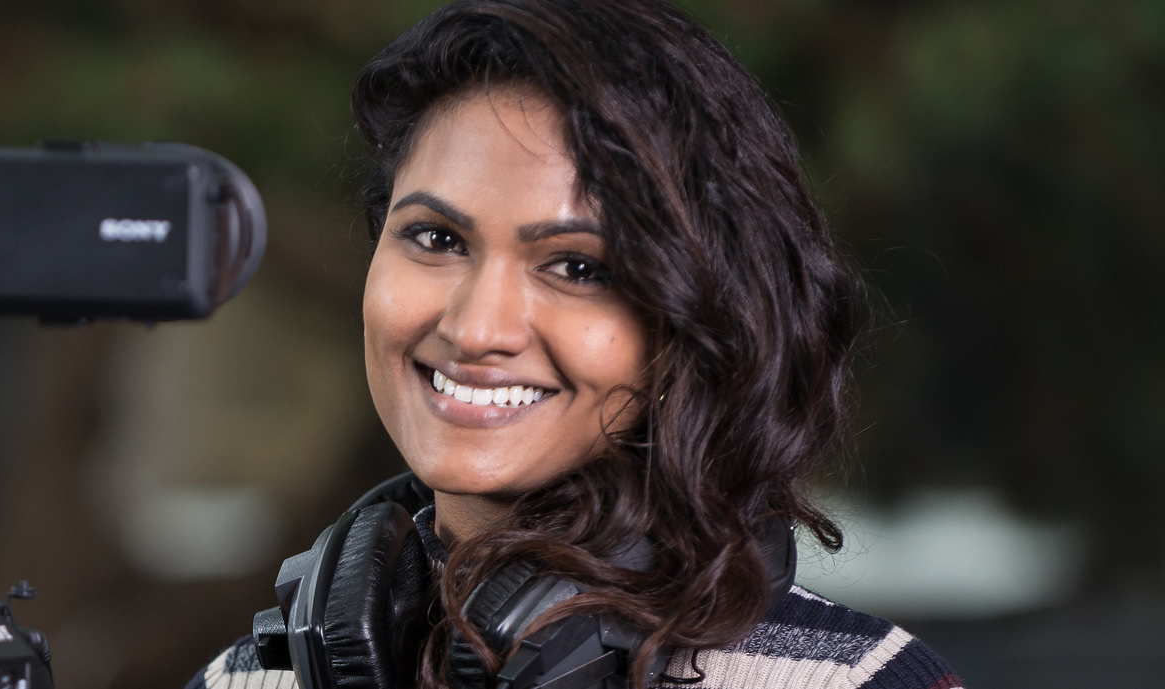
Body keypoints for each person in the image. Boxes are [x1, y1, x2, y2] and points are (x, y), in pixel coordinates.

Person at [190, 1, 963, 688]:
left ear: (693, 323)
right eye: (436, 237)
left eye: (577, 266)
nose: (475, 327)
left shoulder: (853, 682)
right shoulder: (245, 681)